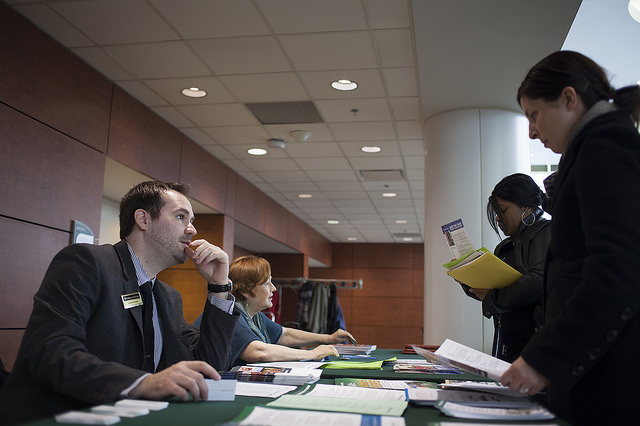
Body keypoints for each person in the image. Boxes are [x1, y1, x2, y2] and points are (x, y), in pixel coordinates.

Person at [0, 181, 239, 423]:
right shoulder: (87, 262)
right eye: (180, 217)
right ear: (143, 219)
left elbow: (207, 368)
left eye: (192, 221)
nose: (192, 230)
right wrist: (143, 383)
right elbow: (50, 352)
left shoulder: (168, 297)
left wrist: (219, 287)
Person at [499, 51, 640, 424]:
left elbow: (616, 271)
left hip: (606, 375)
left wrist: (544, 357)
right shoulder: (595, 148)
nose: (531, 131)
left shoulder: (605, 146)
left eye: (534, 115)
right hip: (592, 367)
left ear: (568, 98)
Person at [460, 173, 550, 363]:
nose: (498, 219)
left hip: (535, 346)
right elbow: (496, 290)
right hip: (508, 344)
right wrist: (469, 280)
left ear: (526, 207)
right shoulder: (506, 246)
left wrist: (495, 297)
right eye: (496, 213)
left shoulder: (545, 232)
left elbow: (539, 279)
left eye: (503, 211)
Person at [211, 255, 356, 366]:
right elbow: (260, 352)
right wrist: (311, 354)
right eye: (267, 283)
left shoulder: (256, 316)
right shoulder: (230, 315)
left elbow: (284, 334)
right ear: (246, 290)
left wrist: (329, 338)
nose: (274, 289)